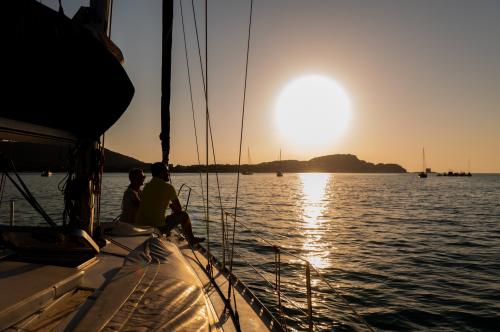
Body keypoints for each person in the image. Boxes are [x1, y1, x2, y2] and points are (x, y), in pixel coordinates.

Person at [135, 162, 205, 245]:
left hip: (140, 227)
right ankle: (191, 239)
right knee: (184, 215)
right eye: (167, 171)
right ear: (161, 173)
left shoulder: (146, 187)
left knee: (165, 217)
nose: (168, 173)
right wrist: (172, 206)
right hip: (157, 228)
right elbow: (179, 209)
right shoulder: (168, 188)